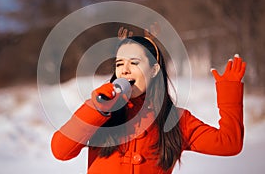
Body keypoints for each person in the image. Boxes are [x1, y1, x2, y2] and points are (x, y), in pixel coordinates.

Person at [51, 26, 246, 174]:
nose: (124, 69)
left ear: (154, 70)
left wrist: (230, 92)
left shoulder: (176, 120)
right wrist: (98, 109)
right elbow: (61, 151)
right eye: (119, 63)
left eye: (134, 62)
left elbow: (229, 144)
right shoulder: (99, 113)